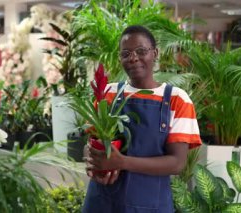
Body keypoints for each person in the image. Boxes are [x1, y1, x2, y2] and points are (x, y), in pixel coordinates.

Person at [82, 25, 202, 213]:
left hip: (150, 204)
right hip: (103, 201)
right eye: (126, 53)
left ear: (155, 53)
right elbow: (91, 144)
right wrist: (92, 162)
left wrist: (121, 162)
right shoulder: (108, 93)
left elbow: (177, 163)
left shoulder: (177, 99)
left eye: (141, 51)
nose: (133, 58)